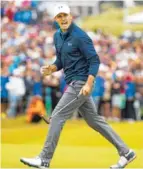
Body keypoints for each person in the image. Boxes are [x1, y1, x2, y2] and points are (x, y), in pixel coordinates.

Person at [20, 4, 136, 169]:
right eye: (59, 16)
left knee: (57, 116)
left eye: (65, 15)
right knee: (94, 120)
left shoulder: (80, 36)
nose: (63, 19)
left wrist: (89, 83)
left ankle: (44, 160)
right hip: (73, 82)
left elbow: (94, 60)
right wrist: (51, 68)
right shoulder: (57, 37)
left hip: (81, 82)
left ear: (71, 16)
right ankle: (126, 152)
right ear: (55, 19)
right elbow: (60, 61)